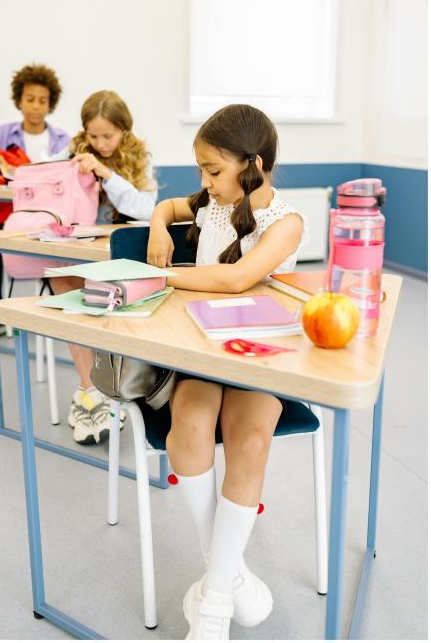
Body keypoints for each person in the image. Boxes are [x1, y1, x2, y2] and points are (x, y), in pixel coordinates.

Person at [146, 104, 309, 640]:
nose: (204, 182)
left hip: (258, 359)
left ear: (252, 164)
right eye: (201, 170)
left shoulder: (286, 223)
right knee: (188, 423)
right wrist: (157, 227)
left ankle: (213, 603)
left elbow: (238, 280)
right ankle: (228, 573)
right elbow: (170, 205)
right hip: (200, 356)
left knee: (252, 437)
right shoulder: (211, 205)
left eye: (213, 171)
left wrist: (164, 280)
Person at [48, 90, 158, 446]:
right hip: (81, 250)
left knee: (104, 295)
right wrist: (66, 168)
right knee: (65, 282)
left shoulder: (139, 156)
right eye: (93, 136)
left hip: (120, 254)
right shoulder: (73, 151)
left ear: (124, 131)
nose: (100, 143)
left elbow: (144, 208)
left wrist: (107, 174)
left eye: (107, 136)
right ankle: (89, 390)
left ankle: (116, 386)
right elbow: (44, 177)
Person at [0, 63, 69, 341]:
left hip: (44, 217)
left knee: (61, 244)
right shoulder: (0, 134)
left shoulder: (61, 140)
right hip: (4, 215)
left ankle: (57, 308)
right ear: (19, 100)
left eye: (42, 101)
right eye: (30, 99)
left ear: (50, 104)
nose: (35, 106)